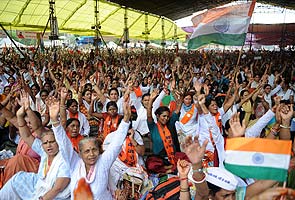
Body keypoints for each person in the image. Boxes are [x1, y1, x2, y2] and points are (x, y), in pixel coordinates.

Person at [49, 87, 131, 200]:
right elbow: (64, 144)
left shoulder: (103, 162)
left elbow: (116, 144)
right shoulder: (74, 163)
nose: (91, 154)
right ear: (80, 153)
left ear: (99, 151)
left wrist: (126, 119)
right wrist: (54, 120)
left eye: (94, 150)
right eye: (87, 151)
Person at [0, 91, 71, 200]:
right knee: (17, 179)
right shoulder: (43, 150)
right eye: (46, 143)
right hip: (39, 185)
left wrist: (29, 110)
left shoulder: (64, 156)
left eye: (52, 142)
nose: (49, 145)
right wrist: (20, 115)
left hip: (55, 195)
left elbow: (58, 188)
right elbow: (27, 136)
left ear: (58, 142)